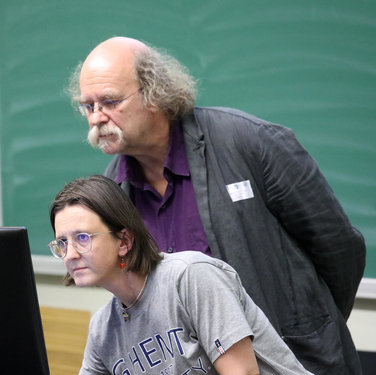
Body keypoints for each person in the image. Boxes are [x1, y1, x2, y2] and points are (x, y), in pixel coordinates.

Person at [66, 36, 366, 374]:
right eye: (87, 106)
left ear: (154, 93)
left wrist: (315, 326)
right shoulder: (114, 191)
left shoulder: (250, 142)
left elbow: (340, 249)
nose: (96, 119)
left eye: (108, 102)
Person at [49, 175, 314, 375]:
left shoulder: (191, 277)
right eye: (62, 243)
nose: (70, 254)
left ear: (124, 241)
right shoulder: (102, 329)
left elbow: (243, 372)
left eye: (82, 238)